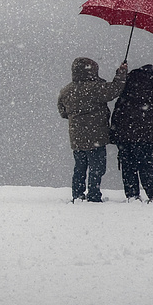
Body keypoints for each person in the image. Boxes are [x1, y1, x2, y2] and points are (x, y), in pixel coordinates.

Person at [58, 57, 128, 202]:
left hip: (76, 137)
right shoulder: (95, 88)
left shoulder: (66, 91)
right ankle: (94, 194)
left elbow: (63, 112)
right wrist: (121, 74)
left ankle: (77, 195)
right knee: (97, 168)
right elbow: (114, 90)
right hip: (96, 136)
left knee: (79, 168)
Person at [110, 64, 153, 202]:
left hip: (125, 137)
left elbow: (117, 110)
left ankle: (132, 196)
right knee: (146, 168)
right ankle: (152, 195)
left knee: (128, 168)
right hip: (147, 137)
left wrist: (114, 133)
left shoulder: (127, 86)